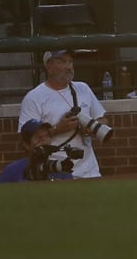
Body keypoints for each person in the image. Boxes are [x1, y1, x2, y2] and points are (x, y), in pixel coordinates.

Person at [16, 48, 109, 179]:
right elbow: (25, 139)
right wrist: (58, 129)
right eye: (62, 62)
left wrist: (91, 127)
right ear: (49, 66)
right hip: (55, 171)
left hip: (90, 171)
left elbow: (103, 119)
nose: (69, 67)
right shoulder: (34, 97)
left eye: (70, 62)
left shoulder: (83, 88)